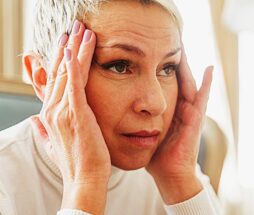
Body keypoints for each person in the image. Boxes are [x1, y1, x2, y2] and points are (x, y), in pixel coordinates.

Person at [0, 0, 222, 214]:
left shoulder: (176, 172)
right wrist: (86, 185)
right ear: (43, 77)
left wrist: (179, 181)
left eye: (167, 68)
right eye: (120, 66)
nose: (156, 104)